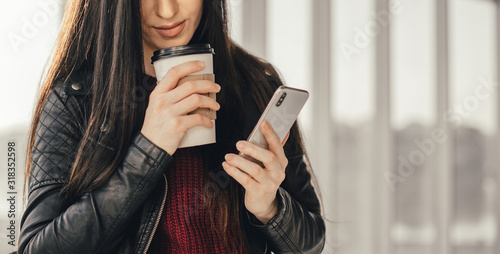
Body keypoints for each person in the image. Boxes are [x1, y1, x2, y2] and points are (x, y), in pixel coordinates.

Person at [17, 0, 326, 253]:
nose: (167, 11)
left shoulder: (255, 83)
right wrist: (148, 150)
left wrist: (269, 207)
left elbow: (312, 241)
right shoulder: (76, 100)